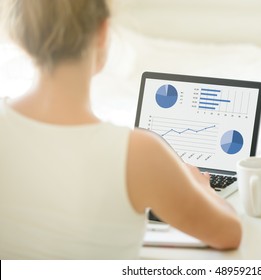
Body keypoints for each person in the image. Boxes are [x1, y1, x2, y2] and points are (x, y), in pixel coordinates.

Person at [0, 0, 241, 259]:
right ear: (103, 32)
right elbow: (229, 234)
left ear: (23, 35)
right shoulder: (140, 152)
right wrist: (202, 187)